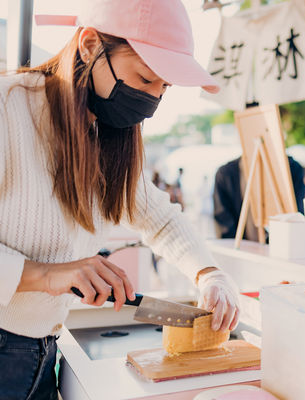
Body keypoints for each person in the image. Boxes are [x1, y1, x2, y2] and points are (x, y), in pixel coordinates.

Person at [0, 1, 239, 398]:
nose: (152, 101)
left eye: (164, 88)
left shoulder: (105, 134)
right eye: (145, 78)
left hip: (41, 356)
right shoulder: (8, 109)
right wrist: (49, 275)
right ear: (90, 44)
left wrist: (209, 273)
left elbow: (160, 218)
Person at [213, 156, 305, 240]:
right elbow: (223, 221)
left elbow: (296, 215)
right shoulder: (225, 173)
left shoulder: (292, 169)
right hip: (240, 249)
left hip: (281, 246)